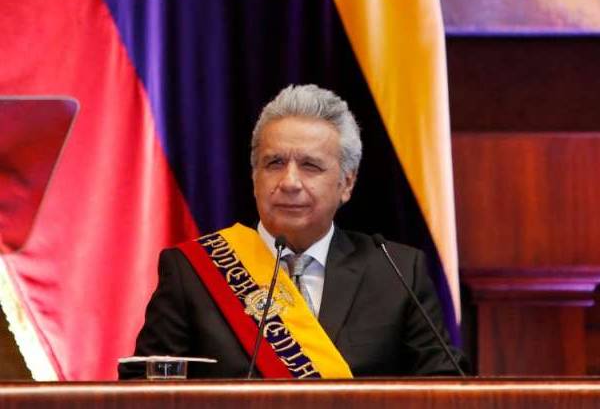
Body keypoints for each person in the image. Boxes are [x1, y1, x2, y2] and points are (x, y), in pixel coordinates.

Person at [120, 84, 466, 378]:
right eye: (274, 163)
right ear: (254, 176)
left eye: (310, 166)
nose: (289, 182)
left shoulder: (397, 273)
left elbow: (445, 387)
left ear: (347, 183)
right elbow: (146, 389)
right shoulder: (193, 272)